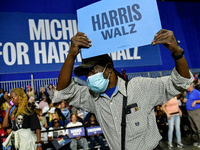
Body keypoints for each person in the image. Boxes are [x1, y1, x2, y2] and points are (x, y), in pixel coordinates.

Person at [53, 29, 193, 150]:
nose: (89, 77)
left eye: (93, 71)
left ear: (109, 68)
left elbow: (180, 82)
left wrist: (177, 52)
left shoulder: (139, 87)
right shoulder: (92, 97)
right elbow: (64, 91)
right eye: (87, 74)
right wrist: (71, 55)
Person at [182, 83, 200, 147]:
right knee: (193, 126)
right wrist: (185, 100)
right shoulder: (188, 92)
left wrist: (195, 102)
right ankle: (199, 140)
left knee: (198, 126)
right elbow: (187, 98)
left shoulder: (196, 92)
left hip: (195, 111)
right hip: (189, 112)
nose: (186, 87)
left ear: (190, 86)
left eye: (187, 86)